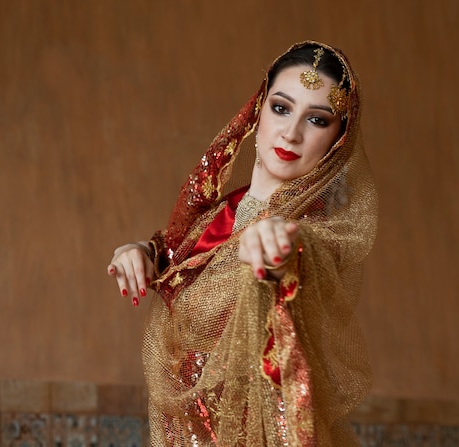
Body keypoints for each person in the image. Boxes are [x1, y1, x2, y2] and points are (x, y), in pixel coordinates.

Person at [107, 40, 378, 446]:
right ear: (258, 110)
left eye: (318, 120)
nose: (291, 131)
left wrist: (281, 252)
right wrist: (142, 253)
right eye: (282, 108)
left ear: (338, 141)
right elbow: (176, 256)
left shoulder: (318, 233)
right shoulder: (219, 213)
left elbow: (301, 259)